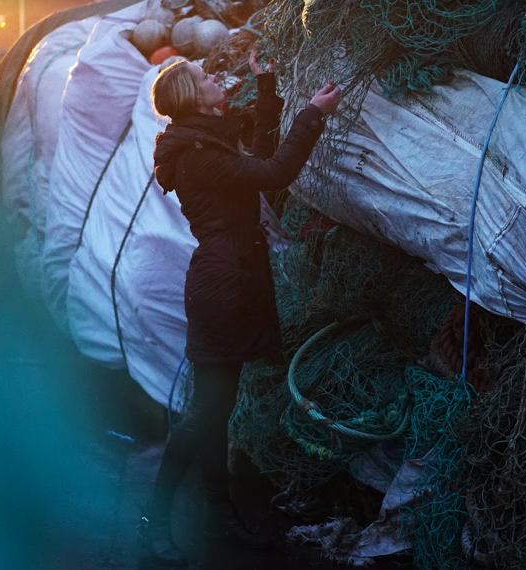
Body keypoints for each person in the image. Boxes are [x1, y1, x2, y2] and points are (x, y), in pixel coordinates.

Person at [140, 50, 341, 566]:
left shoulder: (203, 141)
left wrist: (268, 86)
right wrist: (312, 115)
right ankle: (152, 524)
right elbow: (275, 173)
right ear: (190, 96)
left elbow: (257, 164)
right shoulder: (197, 154)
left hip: (230, 280)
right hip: (223, 286)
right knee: (206, 412)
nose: (214, 78)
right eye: (205, 77)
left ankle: (219, 512)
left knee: (217, 410)